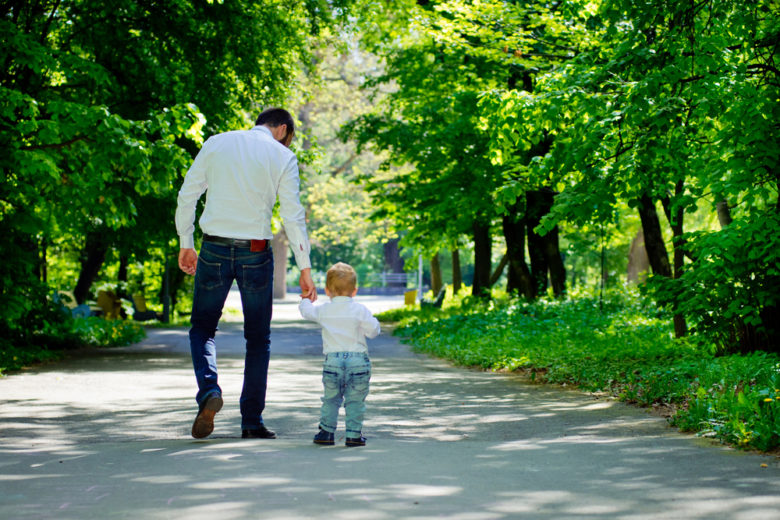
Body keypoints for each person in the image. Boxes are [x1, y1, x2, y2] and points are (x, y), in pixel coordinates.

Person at [175, 107, 317, 440]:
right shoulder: (282, 157)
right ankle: (251, 421)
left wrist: (186, 242)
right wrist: (305, 269)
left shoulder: (216, 143)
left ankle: (209, 390)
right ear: (282, 129)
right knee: (258, 339)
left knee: (203, 329)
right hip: (255, 252)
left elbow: (188, 195)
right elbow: (293, 217)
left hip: (214, 248)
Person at [299, 262, 380, 447]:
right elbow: (373, 331)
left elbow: (306, 312)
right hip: (358, 361)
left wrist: (305, 298)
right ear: (355, 291)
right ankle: (353, 435)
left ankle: (326, 432)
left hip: (333, 362)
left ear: (327, 291)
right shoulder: (360, 310)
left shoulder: (324, 310)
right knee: (355, 400)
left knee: (331, 398)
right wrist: (372, 321)